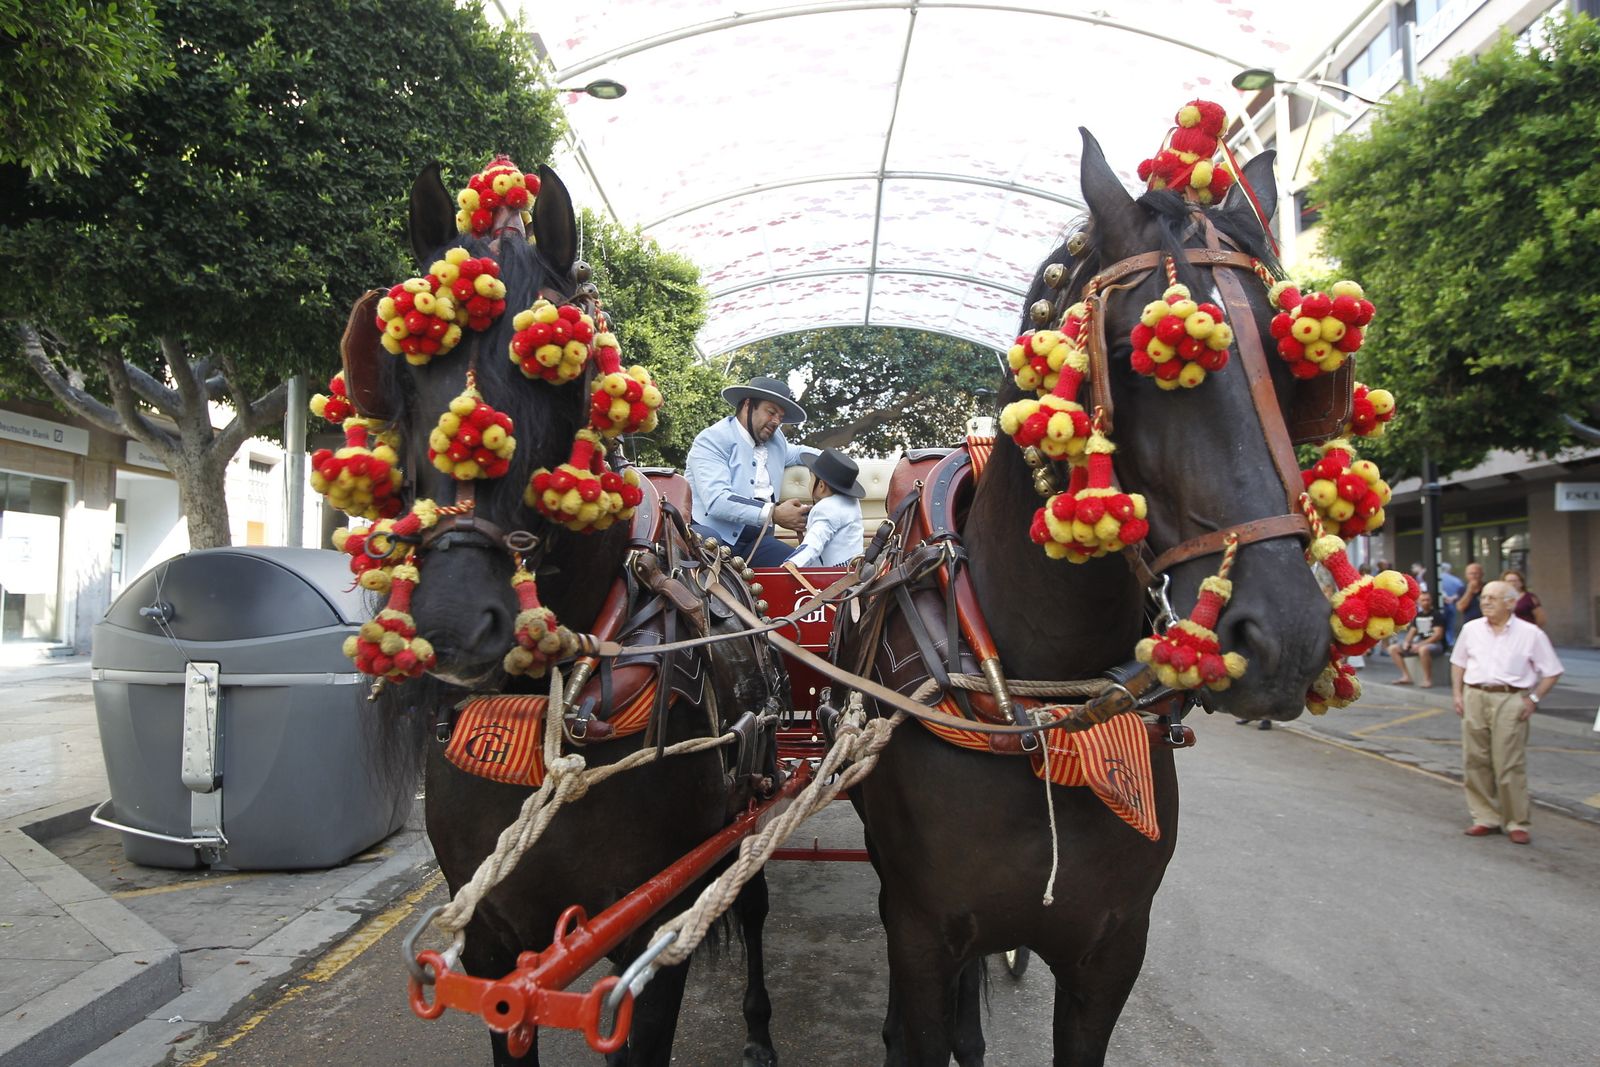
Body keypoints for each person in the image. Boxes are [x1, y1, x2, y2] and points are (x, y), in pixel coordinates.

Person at [1449, 580, 1564, 844]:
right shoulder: (1471, 629)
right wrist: (1457, 694)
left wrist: (1533, 699)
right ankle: (1484, 817)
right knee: (1475, 759)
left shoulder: (1531, 633)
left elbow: (1552, 671)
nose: (1486, 602)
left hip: (1510, 698)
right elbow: (1458, 663)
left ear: (1511, 603)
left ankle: (1516, 822)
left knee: (1509, 762)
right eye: (1484, 597)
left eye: (1493, 598)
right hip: (1475, 694)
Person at [686, 375, 820, 565]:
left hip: (757, 542)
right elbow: (717, 500)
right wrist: (774, 513)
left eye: (780, 417)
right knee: (706, 558)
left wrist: (838, 465)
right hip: (714, 538)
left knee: (804, 566)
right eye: (771, 412)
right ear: (748, 405)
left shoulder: (776, 442)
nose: (776, 421)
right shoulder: (712, 439)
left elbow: (799, 453)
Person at [784, 448, 866, 567]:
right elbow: (837, 516)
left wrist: (792, 563)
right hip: (852, 568)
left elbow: (814, 542)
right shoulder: (852, 502)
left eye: (811, 478)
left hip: (832, 575)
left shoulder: (825, 510)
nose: (809, 482)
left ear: (821, 486)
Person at [1387, 590, 1445, 686]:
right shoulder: (1418, 615)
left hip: (1434, 644)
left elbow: (1438, 635)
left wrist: (1420, 644)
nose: (1426, 602)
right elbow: (1412, 631)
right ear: (1419, 602)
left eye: (1428, 600)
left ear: (1431, 601)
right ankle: (1406, 676)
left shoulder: (1436, 615)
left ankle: (1427, 679)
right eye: (1423, 600)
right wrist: (1407, 642)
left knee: (1423, 650)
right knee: (1392, 649)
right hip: (1419, 642)